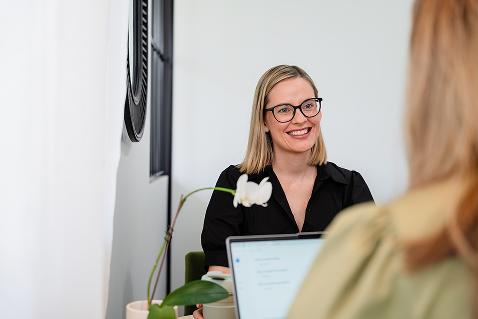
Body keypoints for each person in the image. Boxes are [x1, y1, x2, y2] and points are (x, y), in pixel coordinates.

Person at [288, 0, 478, 318]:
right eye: (284, 109)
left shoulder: (356, 197)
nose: (300, 118)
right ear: (262, 121)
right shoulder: (234, 184)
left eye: (309, 105)